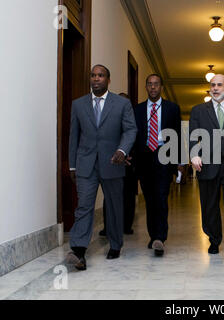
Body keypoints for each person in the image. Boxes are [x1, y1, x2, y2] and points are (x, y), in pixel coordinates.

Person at [66, 65, 137, 271]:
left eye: (101, 75)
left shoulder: (122, 104)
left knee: (114, 206)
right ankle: (78, 250)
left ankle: (115, 245)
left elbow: (130, 130)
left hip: (113, 162)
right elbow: (74, 137)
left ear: (108, 79)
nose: (96, 79)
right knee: (84, 206)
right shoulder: (78, 105)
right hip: (86, 164)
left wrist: (122, 151)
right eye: (93, 75)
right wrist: (72, 165)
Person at [189, 74, 224, 260]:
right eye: (212, 85)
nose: (215, 88)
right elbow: (192, 136)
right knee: (209, 205)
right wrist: (194, 154)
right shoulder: (198, 110)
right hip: (207, 164)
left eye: (219, 85)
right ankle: (214, 240)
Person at [134, 74, 181, 257]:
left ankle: (160, 238)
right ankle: (153, 235)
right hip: (144, 157)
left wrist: (179, 162)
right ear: (146, 87)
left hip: (164, 156)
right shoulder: (137, 110)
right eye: (150, 84)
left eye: (156, 84)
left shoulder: (172, 108)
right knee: (150, 199)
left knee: (161, 197)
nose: (153, 87)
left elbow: (177, 135)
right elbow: (133, 134)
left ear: (161, 87)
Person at [99, 93, 138, 236]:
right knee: (109, 196)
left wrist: (127, 155)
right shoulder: (108, 117)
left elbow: (135, 137)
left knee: (128, 197)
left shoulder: (133, 118)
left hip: (129, 164)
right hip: (111, 162)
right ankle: (107, 226)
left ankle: (126, 226)